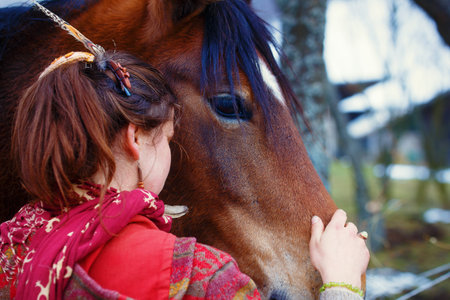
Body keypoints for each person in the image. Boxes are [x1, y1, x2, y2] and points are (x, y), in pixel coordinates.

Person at [0, 3, 369, 300]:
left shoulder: (13, 248)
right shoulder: (198, 277)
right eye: (168, 136)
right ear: (135, 140)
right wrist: (342, 285)